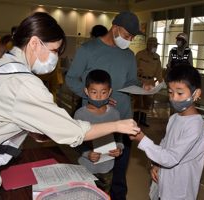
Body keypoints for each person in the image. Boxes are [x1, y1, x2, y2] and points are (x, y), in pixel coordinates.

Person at [0, 12, 140, 200]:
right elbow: (74, 132)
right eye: (54, 50)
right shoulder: (22, 81)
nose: (56, 58)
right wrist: (118, 125)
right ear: (34, 43)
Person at [66, 11, 144, 200]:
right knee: (95, 173)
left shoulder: (129, 55)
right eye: (127, 35)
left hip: (123, 121)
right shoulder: (88, 50)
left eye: (132, 37)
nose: (129, 40)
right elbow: (71, 78)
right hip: (95, 121)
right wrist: (97, 99)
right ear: (115, 27)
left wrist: (144, 86)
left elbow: (133, 81)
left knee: (119, 175)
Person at [130, 64, 204, 200]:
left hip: (179, 191)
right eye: (170, 92)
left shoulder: (194, 125)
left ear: (196, 94)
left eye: (180, 93)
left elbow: (171, 158)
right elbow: (165, 145)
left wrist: (142, 140)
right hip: (165, 182)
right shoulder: (174, 118)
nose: (174, 98)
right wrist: (157, 164)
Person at [74, 69, 123, 193]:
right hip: (85, 167)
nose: (99, 96)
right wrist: (87, 153)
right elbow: (74, 142)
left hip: (107, 168)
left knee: (103, 195)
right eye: (94, 92)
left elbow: (119, 138)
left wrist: (119, 148)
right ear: (86, 91)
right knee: (84, 195)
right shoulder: (80, 114)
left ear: (109, 92)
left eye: (103, 92)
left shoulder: (115, 114)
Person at [134, 37, 163, 127]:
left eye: (156, 45)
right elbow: (133, 66)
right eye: (153, 45)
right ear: (148, 44)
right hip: (140, 80)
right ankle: (135, 119)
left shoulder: (157, 57)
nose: (154, 46)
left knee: (147, 102)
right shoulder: (140, 54)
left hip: (150, 81)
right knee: (137, 101)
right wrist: (137, 71)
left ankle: (143, 119)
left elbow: (159, 71)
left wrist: (161, 83)